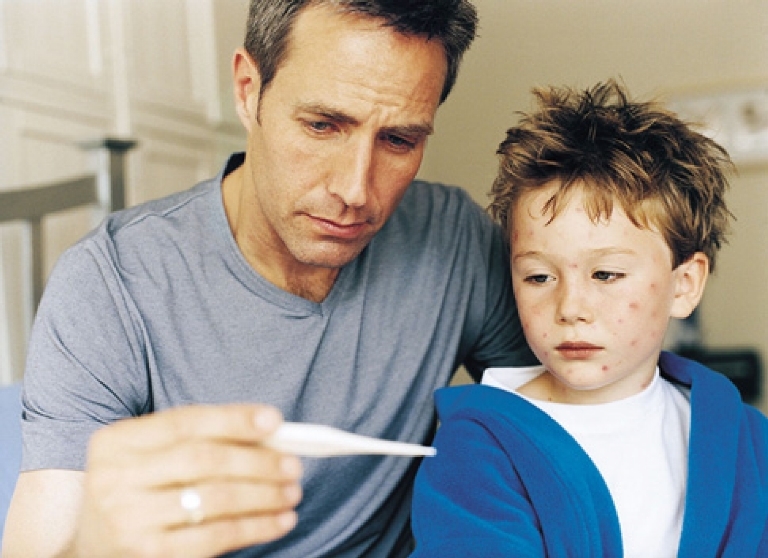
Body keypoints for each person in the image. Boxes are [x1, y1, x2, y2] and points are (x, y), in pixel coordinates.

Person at [2, 1, 537, 557]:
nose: (356, 189)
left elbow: (571, 414)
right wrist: (99, 549)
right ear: (247, 89)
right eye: (322, 125)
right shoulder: (109, 286)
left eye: (399, 140)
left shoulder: (455, 240)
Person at [410, 80, 768, 557]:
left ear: (684, 285)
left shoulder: (745, 439)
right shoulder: (475, 450)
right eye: (538, 277)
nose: (570, 308)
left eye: (606, 273)